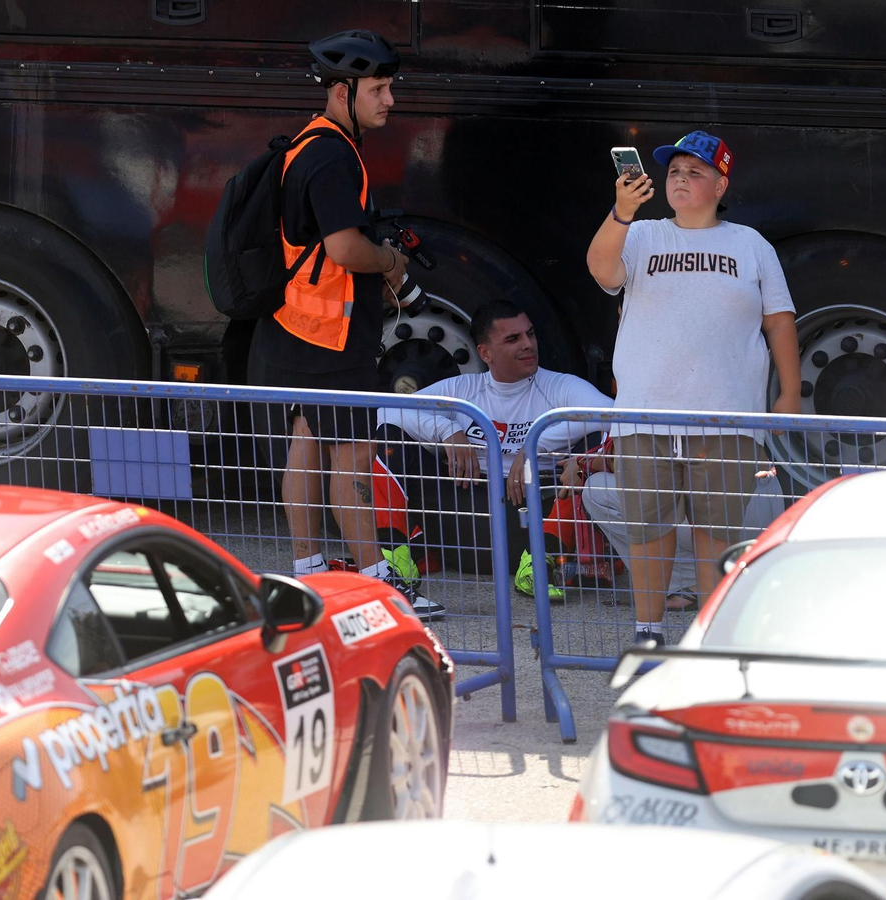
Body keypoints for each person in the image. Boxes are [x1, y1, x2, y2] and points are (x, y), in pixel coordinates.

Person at [246, 29, 443, 620]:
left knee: (306, 443)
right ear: (342, 91)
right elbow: (344, 248)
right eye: (378, 89)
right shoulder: (334, 156)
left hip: (294, 326)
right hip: (334, 338)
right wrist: (390, 261)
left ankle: (308, 572)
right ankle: (380, 583)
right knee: (352, 456)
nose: (390, 100)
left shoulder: (307, 143)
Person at [585, 130, 801, 646]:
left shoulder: (751, 244)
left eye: (695, 172)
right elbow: (601, 270)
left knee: (716, 534)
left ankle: (710, 640)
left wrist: (789, 393)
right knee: (648, 530)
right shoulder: (642, 234)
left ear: (720, 185)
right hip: (645, 414)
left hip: (725, 417)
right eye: (675, 171)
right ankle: (649, 633)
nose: (680, 179)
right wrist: (621, 212)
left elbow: (779, 321)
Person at [372, 301, 616, 601]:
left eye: (530, 334)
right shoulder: (463, 389)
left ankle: (541, 566)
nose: (528, 345)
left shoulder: (560, 386)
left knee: (594, 442)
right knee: (389, 438)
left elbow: (613, 416)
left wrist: (534, 445)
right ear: (485, 353)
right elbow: (386, 411)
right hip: (462, 511)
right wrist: (448, 432)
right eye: (513, 339)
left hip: (530, 514)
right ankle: (396, 559)